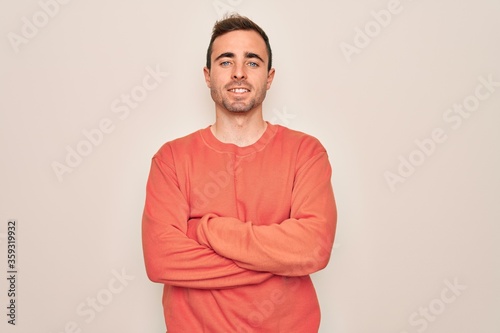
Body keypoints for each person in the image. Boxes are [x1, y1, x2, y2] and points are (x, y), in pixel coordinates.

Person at [142, 13, 337, 333]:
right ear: (207, 75)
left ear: (270, 77)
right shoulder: (171, 159)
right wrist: (279, 262)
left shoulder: (306, 153)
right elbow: (161, 259)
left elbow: (313, 248)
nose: (238, 73)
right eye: (225, 61)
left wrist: (206, 231)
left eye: (253, 62)